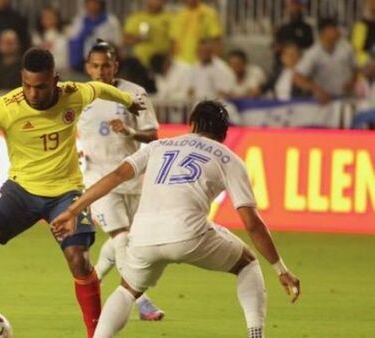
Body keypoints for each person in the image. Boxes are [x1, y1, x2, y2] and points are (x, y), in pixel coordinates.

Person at [0, 47, 145, 338]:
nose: (33, 94)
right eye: (27, 86)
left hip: (66, 193)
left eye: (41, 87)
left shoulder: (73, 93)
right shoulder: (6, 107)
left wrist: (128, 101)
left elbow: (99, 88)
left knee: (79, 259)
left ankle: (95, 334)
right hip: (21, 189)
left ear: (55, 80)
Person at [52, 100, 301, 338]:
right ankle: (256, 334)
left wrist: (74, 210)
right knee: (247, 263)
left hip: (143, 236)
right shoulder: (229, 159)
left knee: (127, 289)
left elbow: (117, 175)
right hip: (188, 235)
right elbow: (252, 223)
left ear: (192, 123)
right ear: (224, 132)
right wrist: (281, 269)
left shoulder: (159, 146)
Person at [78, 40, 163, 321]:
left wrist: (129, 132)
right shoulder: (80, 97)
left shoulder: (134, 94)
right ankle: (142, 301)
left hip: (130, 176)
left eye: (106, 66)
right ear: (88, 68)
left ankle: (96, 275)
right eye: (96, 66)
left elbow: (152, 134)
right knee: (121, 236)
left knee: (131, 241)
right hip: (98, 180)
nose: (101, 71)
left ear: (115, 66)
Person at [293, 17, 357, 104]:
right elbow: (297, 77)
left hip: (347, 98)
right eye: (333, 28)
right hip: (326, 101)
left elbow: (355, 69)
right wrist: (316, 90)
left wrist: (352, 81)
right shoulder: (313, 52)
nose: (337, 30)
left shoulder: (346, 47)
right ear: (323, 32)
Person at [169, 0, 222, 64]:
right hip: (180, 63)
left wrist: (214, 63)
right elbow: (173, 42)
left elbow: (216, 40)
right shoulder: (178, 16)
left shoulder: (209, 13)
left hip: (200, 63)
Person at [123, 0, 172, 69]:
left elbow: (174, 42)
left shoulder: (171, 18)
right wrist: (139, 38)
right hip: (139, 65)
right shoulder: (136, 17)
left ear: (165, 2)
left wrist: (168, 61)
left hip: (161, 65)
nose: (156, 2)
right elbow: (125, 39)